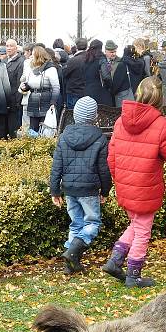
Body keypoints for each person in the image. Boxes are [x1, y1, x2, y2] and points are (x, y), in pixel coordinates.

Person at [102, 76, 166, 287]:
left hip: (125, 184)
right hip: (147, 186)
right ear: (160, 98)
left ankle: (115, 262)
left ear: (138, 93)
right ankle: (133, 275)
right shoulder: (161, 124)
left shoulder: (120, 121)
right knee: (143, 231)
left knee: (136, 225)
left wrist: (118, 178)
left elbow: (112, 155)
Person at [49, 96, 111, 274]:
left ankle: (70, 263)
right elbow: (103, 169)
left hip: (69, 189)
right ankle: (73, 252)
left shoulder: (64, 136)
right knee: (92, 223)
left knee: (75, 224)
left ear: (75, 115)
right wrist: (105, 191)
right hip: (89, 189)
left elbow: (56, 166)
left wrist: (55, 190)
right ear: (94, 117)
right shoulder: (99, 138)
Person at [20, 45, 60, 132]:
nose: (31, 57)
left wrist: (53, 102)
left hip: (46, 101)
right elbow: (30, 84)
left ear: (38, 56)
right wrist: (25, 87)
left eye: (33, 54)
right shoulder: (31, 68)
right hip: (33, 101)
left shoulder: (50, 69)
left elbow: (56, 88)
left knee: (45, 129)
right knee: (33, 130)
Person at [4, 38, 24, 138]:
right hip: (4, 99)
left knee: (14, 128)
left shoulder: (21, 62)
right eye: (7, 46)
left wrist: (17, 101)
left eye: (11, 46)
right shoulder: (4, 61)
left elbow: (19, 83)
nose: (8, 48)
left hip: (14, 101)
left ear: (16, 48)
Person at [62, 38, 88, 109]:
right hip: (88, 93)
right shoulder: (91, 59)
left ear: (76, 47)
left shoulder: (73, 61)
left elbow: (64, 74)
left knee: (72, 116)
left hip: (74, 93)